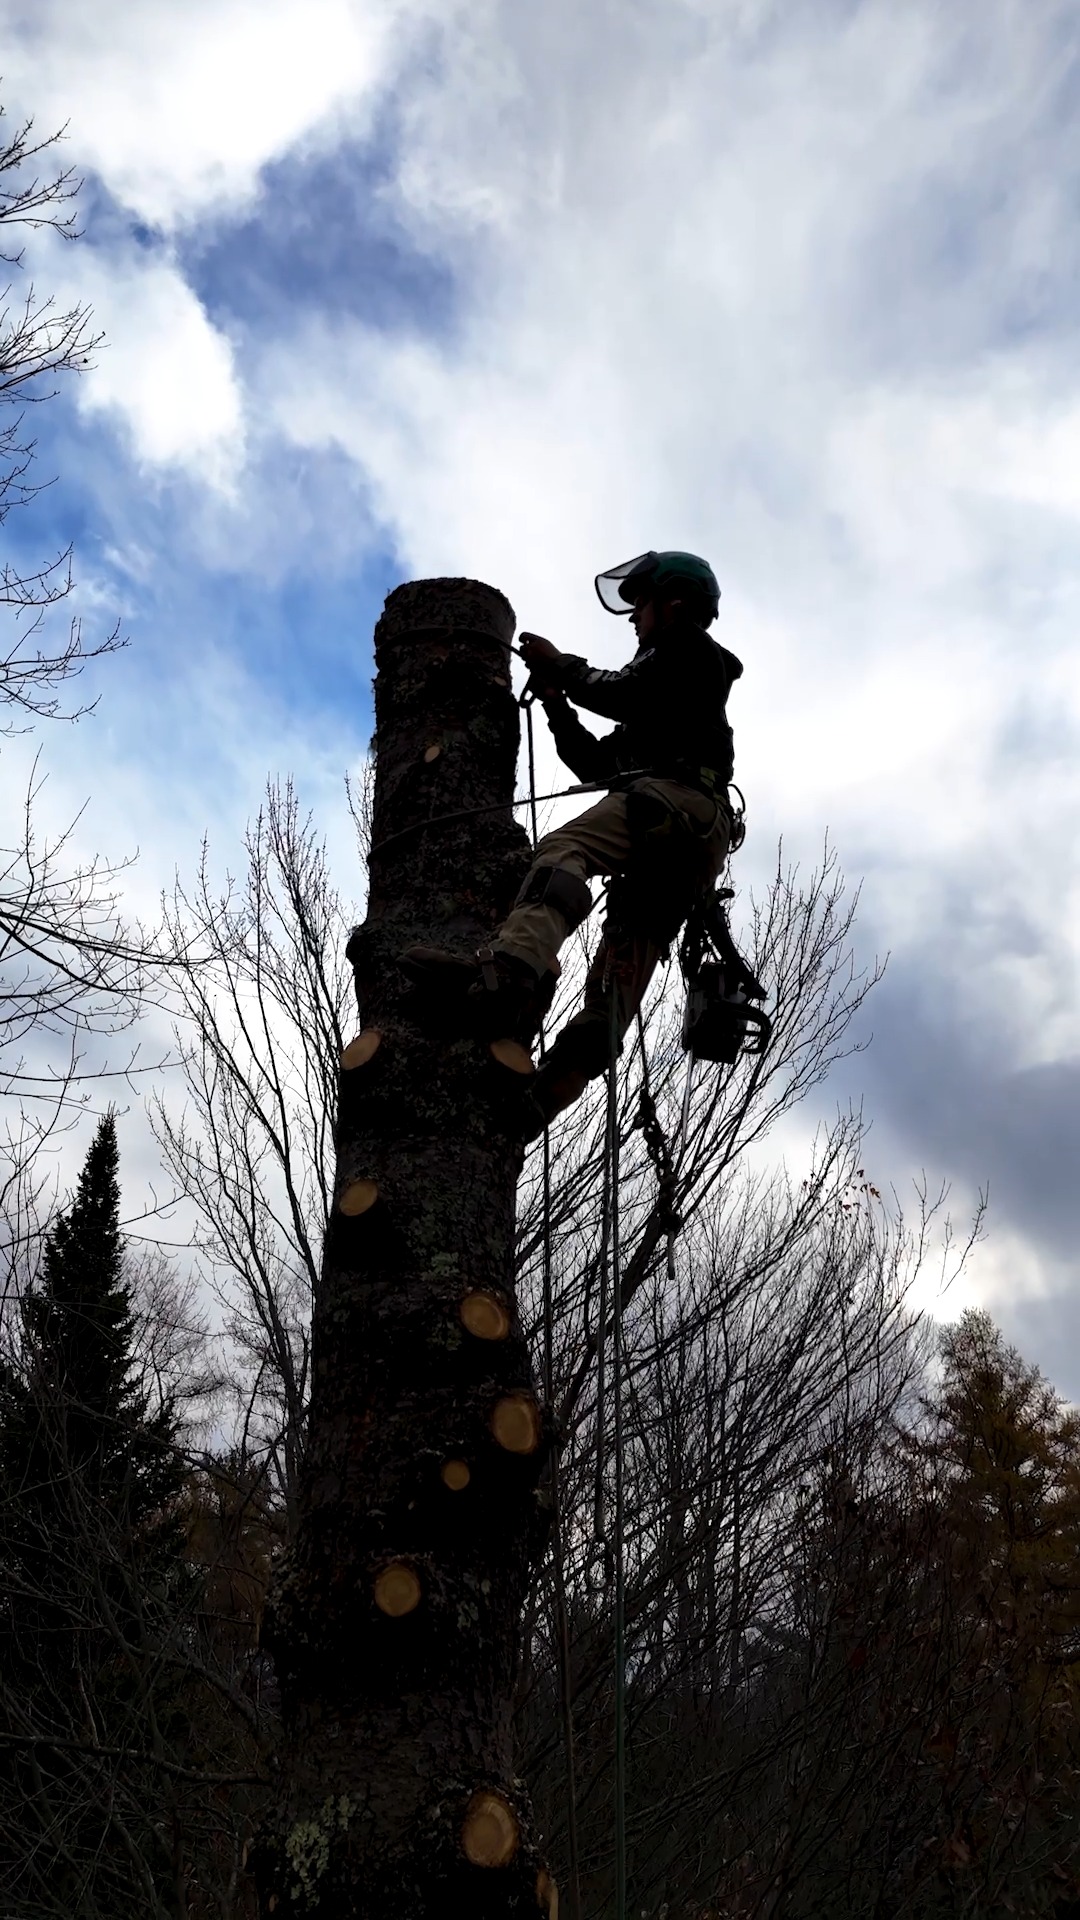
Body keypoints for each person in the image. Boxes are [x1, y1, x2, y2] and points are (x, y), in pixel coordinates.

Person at [401, 550, 742, 1132]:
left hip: (676, 804)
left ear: (675, 606)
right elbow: (596, 762)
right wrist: (558, 708)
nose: (634, 620)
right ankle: (543, 1097)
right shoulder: (671, 698)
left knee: (564, 850)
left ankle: (511, 970)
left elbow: (620, 691)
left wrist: (560, 666)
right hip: (692, 838)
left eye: (642, 607)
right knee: (618, 975)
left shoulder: (686, 652)